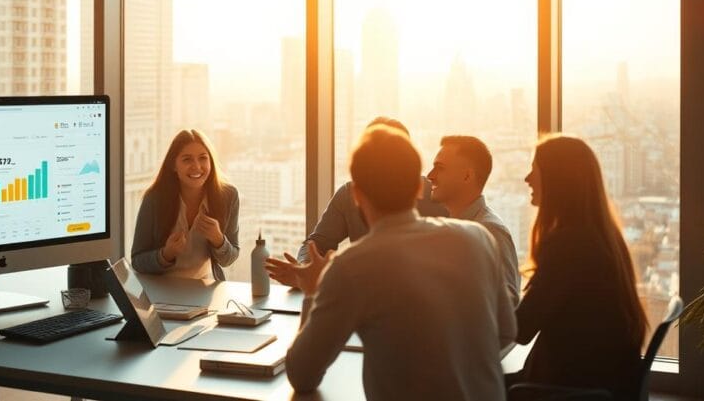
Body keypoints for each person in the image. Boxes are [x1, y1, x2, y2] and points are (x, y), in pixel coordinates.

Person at [273, 125, 516, 400]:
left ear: (356, 194)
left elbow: (301, 374)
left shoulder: (350, 266)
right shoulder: (478, 238)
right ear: (418, 187)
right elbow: (507, 332)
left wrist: (312, 293)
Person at [511, 135, 648, 400]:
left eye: (535, 169)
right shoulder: (600, 236)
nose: (527, 178)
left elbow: (522, 329)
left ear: (557, 180)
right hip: (596, 381)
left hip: (569, 389)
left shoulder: (569, 245)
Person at [266, 117, 447, 285]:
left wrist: (313, 284)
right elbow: (317, 243)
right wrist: (306, 268)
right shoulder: (347, 195)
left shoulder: (437, 194)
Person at [130, 129, 240, 280]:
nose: (197, 166)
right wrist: (166, 254)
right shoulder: (154, 199)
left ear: (211, 162)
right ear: (173, 165)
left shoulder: (228, 196)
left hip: (203, 286)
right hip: (161, 286)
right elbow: (137, 261)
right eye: (187, 159)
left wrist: (219, 240)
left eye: (203, 158)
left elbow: (229, 259)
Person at [426, 135, 521, 308]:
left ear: (467, 176)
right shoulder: (453, 228)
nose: (430, 176)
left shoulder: (490, 231)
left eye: (440, 168)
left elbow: (508, 305)